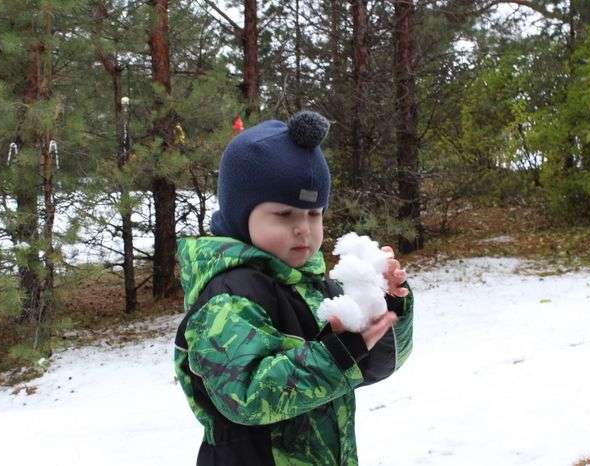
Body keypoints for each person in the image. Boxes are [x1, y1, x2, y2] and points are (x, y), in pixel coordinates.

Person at [174, 111, 414, 465]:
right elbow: (247, 397)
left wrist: (385, 308)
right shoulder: (228, 297)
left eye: (314, 214)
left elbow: (371, 367)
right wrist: (337, 353)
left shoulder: (312, 283)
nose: (303, 228)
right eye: (285, 215)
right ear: (243, 216)